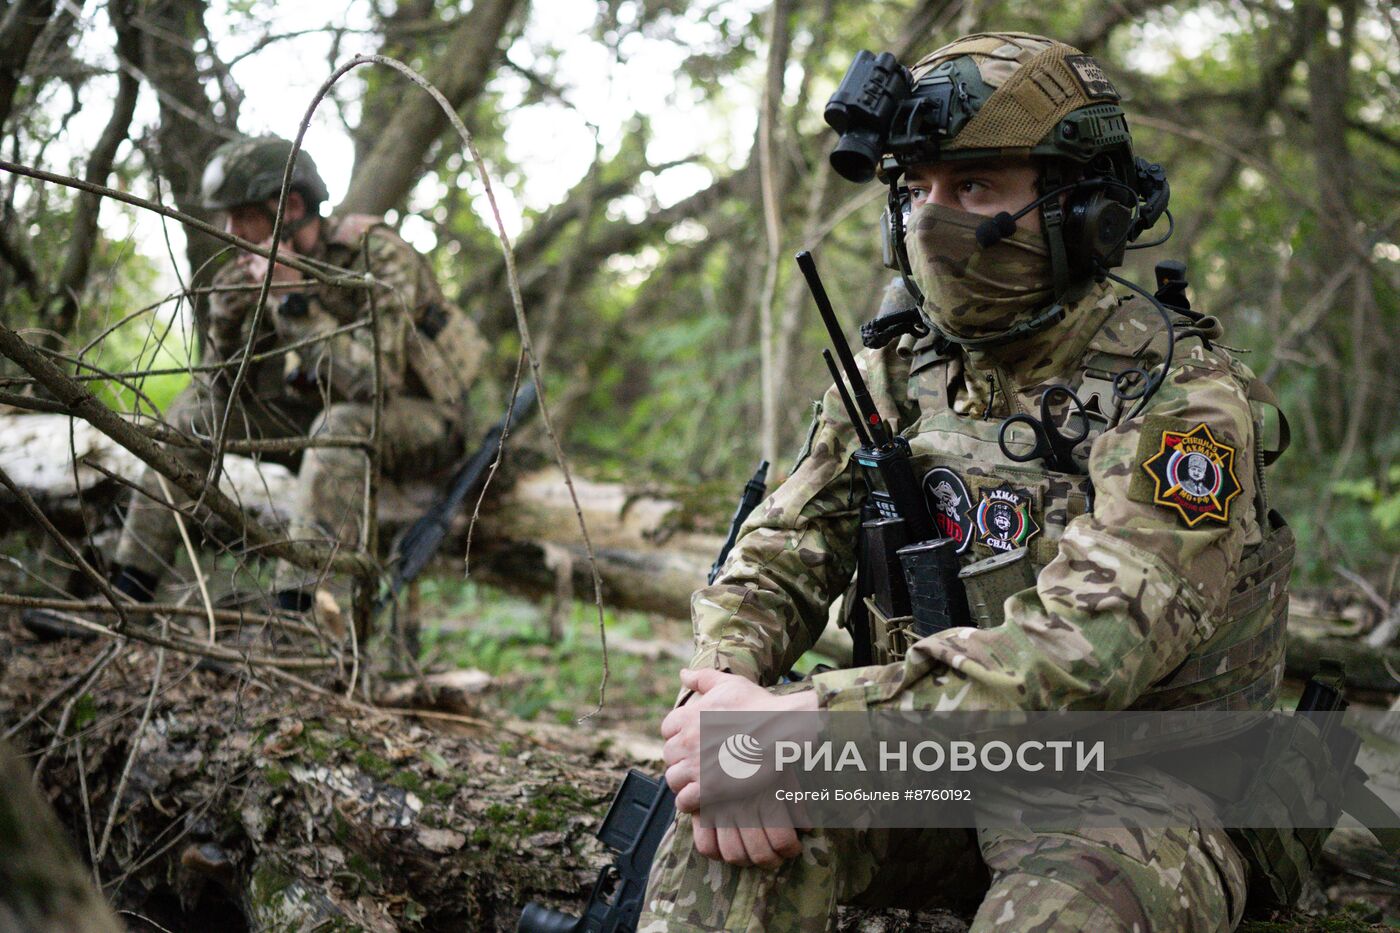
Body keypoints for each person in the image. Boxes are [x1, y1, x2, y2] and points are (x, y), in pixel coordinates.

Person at [641, 32, 1295, 932]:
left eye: (975, 187)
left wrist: (809, 725)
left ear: (1081, 210)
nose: (931, 220)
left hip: (1144, 789)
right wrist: (720, 697)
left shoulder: (1181, 399)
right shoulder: (899, 371)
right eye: (916, 190)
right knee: (721, 833)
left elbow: (1085, 651)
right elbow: (779, 552)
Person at [110, 135, 488, 612]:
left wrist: (293, 303)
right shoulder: (251, 268)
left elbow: (378, 384)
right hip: (319, 423)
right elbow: (220, 395)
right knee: (193, 414)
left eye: (243, 214)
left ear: (288, 206)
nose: (232, 229)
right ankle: (128, 590)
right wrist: (226, 325)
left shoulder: (379, 254)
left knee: (342, 422)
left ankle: (298, 609)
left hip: (425, 423)